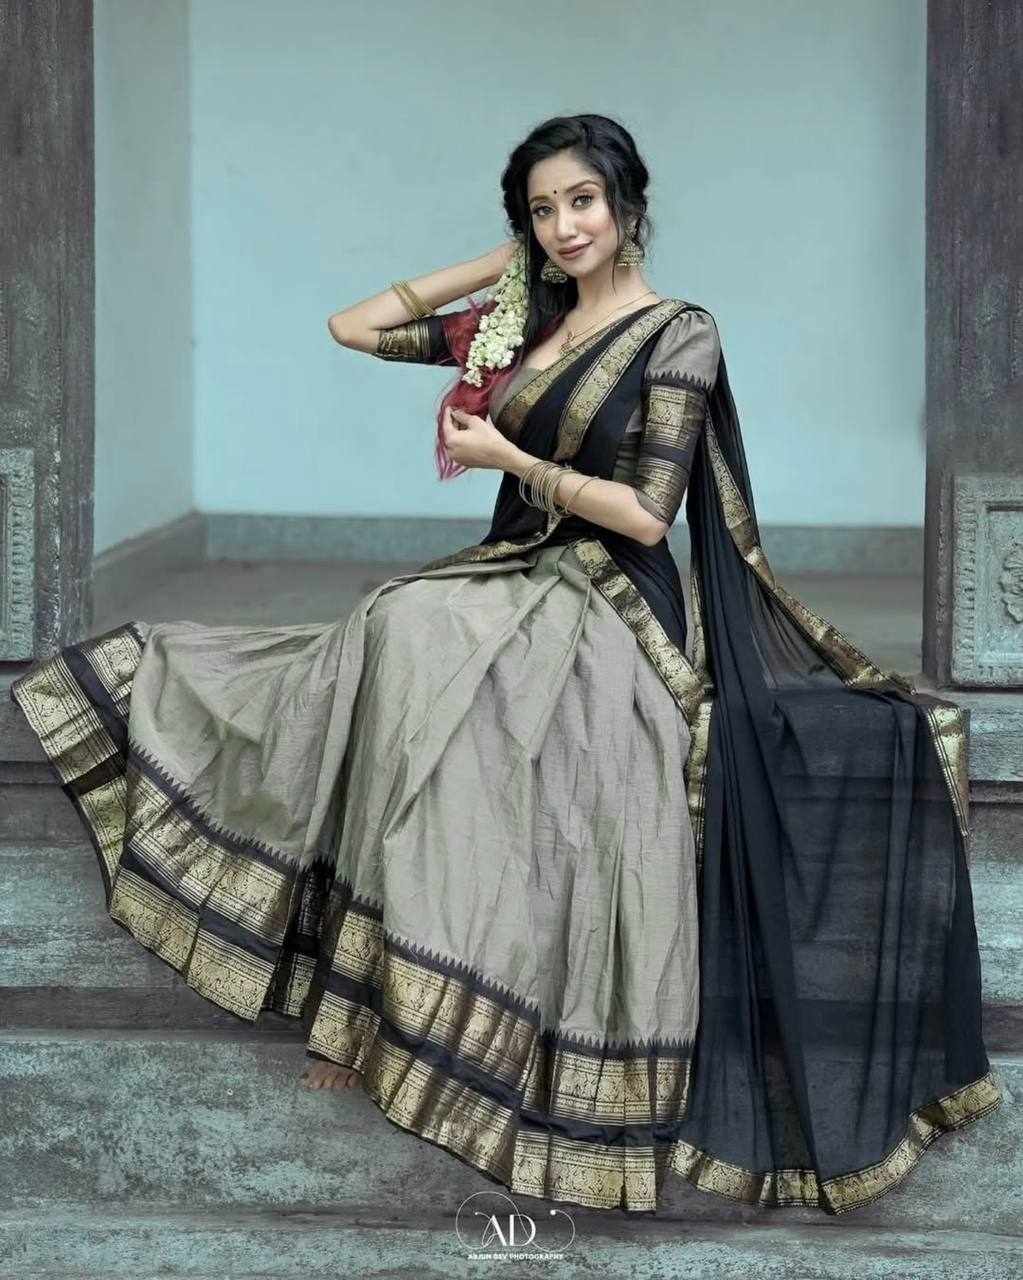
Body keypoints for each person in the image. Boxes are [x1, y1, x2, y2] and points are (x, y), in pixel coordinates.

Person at [10, 113, 1000, 1216]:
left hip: (614, 591)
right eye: (542, 209)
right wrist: (502, 267)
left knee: (441, 656)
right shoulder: (521, 323)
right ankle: (370, 992)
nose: (566, 225)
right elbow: (354, 326)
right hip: (518, 569)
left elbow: (648, 511)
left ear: (627, 203)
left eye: (582, 201)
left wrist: (511, 457)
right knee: (397, 630)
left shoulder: (679, 332)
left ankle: (402, 1008)